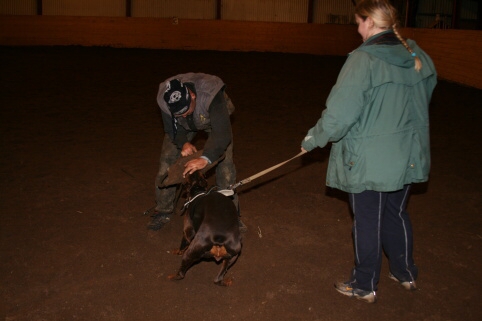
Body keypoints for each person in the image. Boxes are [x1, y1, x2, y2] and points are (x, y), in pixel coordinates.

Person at [301, 0, 437, 303]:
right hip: (408, 154)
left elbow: (340, 113)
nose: (357, 28)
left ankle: (364, 285)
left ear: (370, 23)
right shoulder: (418, 56)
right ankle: (405, 273)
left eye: (359, 22)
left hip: (372, 158)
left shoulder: (363, 60)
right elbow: (423, 98)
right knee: (396, 213)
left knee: (367, 220)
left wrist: (313, 139)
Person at [148, 73, 247, 232]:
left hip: (211, 119)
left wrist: (206, 158)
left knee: (226, 165)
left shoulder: (212, 95)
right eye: (178, 113)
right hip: (182, 127)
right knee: (167, 161)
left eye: (186, 109)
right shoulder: (164, 99)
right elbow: (170, 128)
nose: (184, 114)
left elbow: (222, 134)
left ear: (192, 95)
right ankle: (163, 210)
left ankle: (230, 214)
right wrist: (183, 142)